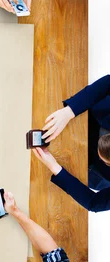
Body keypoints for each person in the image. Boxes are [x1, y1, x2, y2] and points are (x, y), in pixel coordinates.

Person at [33, 74, 110, 211]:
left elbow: (94, 203)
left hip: (89, 164)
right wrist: (70, 110)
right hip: (94, 116)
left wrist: (55, 168)